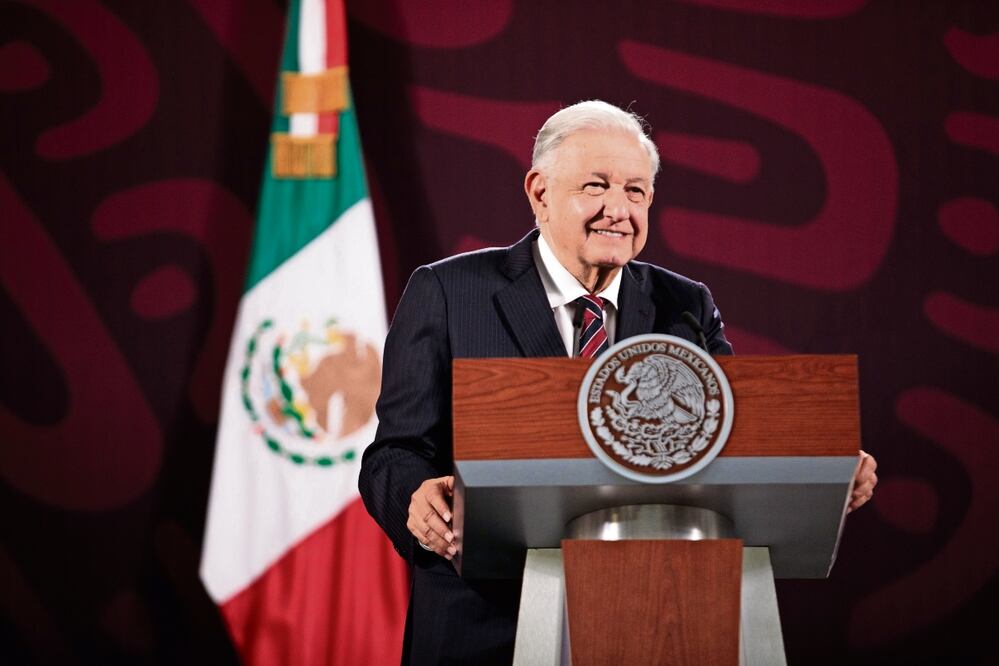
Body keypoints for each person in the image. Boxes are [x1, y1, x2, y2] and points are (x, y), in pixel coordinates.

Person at [359, 100, 877, 664]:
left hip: (662, 618)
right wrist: (417, 499)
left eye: (636, 191)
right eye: (596, 186)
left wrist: (821, 464)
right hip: (486, 625)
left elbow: (738, 439)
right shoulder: (450, 293)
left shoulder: (684, 306)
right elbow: (394, 454)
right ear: (539, 193)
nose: (618, 210)